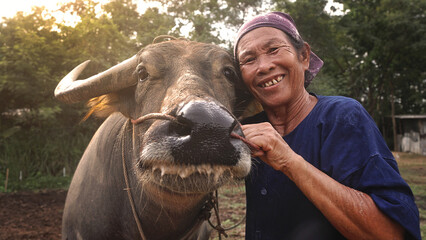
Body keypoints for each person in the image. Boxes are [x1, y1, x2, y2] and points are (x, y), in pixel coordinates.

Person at [234, 12, 421, 240]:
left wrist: (288, 161)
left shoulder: (341, 117)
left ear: (303, 56)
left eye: (273, 50)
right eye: (248, 59)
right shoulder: (246, 130)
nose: (263, 66)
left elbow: (390, 234)